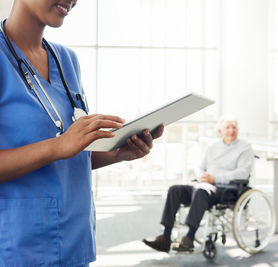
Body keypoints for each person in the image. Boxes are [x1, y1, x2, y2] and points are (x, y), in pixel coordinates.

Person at [0, 0, 163, 266]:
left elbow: (71, 155)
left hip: (75, 241)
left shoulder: (66, 60)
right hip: (17, 247)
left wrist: (117, 153)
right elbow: (61, 146)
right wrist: (58, 145)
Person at [143, 116, 254, 253]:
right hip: (205, 185)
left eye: (234, 127)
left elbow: (242, 173)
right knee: (175, 190)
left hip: (227, 189)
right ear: (220, 131)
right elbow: (202, 168)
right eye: (227, 127)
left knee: (201, 191)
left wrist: (215, 178)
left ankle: (189, 238)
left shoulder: (244, 147)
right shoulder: (213, 146)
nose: (231, 130)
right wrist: (203, 176)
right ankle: (165, 237)